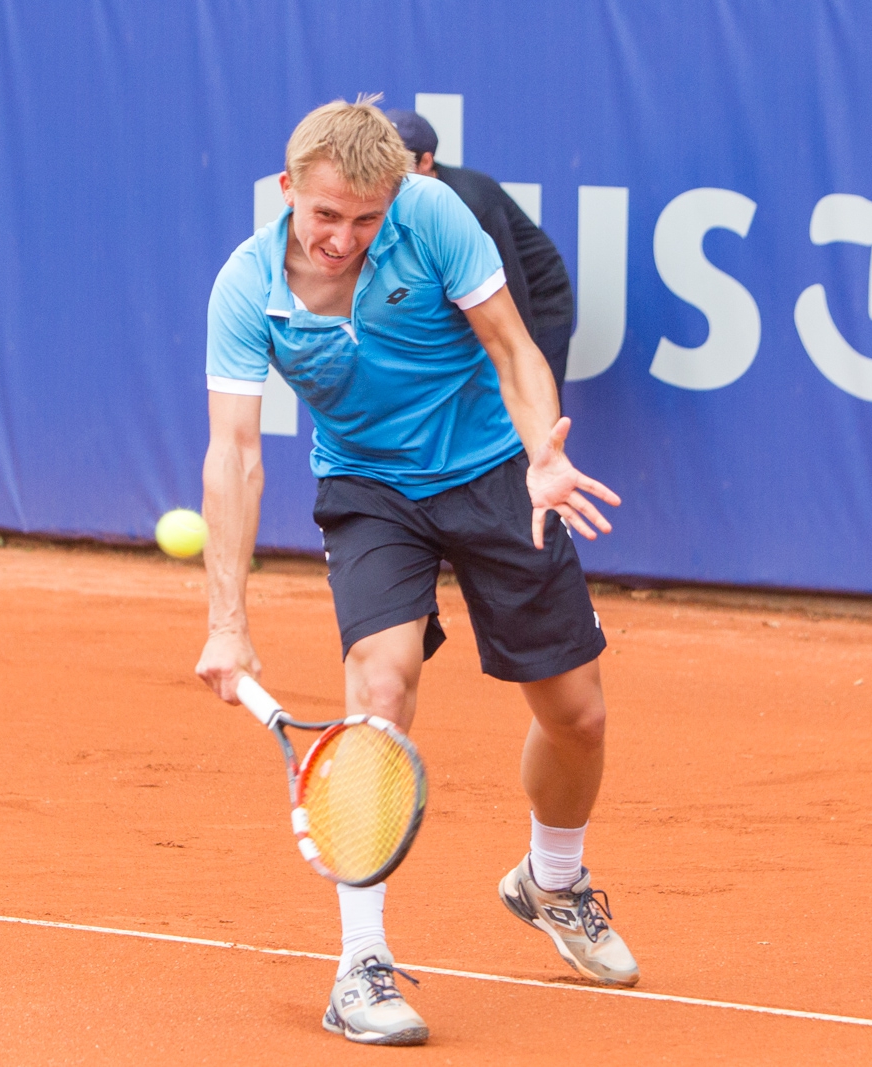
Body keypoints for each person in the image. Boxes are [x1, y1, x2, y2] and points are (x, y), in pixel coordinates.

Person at [196, 96, 637, 1046]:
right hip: (369, 488)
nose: (343, 239)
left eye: (365, 219)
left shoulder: (434, 217)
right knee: (379, 691)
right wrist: (225, 620)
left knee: (579, 716)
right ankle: (360, 965)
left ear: (396, 198)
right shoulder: (244, 288)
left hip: (491, 471)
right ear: (287, 193)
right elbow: (233, 455)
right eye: (324, 217)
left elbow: (512, 348)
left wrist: (543, 457)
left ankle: (552, 879)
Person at [386, 108, 576, 402]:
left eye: (400, 163)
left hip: (536, 302)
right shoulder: (388, 200)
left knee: (530, 404)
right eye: (382, 159)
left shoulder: (471, 203)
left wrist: (516, 361)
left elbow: (508, 288)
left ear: (426, 162)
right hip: (468, 308)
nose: (388, 172)